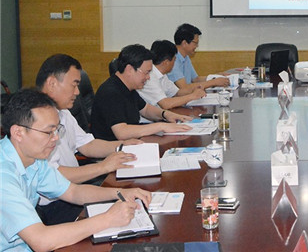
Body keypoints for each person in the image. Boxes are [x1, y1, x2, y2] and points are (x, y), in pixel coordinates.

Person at [0, 88, 151, 251]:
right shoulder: (3, 175)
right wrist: (108, 219)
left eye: (57, 130)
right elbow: (41, 241)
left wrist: (120, 193)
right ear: (18, 133)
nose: (56, 138)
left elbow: (73, 192)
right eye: (48, 132)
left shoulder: (33, 159)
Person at [35, 54, 143, 225]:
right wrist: (102, 167)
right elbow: (54, 176)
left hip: (73, 192)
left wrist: (122, 145)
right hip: (55, 205)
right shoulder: (35, 124)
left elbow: (87, 145)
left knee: (133, 205)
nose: (77, 92)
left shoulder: (63, 113)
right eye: (74, 85)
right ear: (52, 83)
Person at [91, 44, 193, 141]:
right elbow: (122, 132)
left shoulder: (128, 87)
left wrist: (166, 114)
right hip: (114, 149)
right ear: (130, 69)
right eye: (146, 72)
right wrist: (161, 126)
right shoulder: (111, 92)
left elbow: (145, 109)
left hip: (133, 142)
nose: (148, 77)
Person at [138, 40, 207, 109]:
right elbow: (166, 104)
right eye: (174, 60)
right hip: (150, 115)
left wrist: (194, 90)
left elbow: (177, 93)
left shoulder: (162, 75)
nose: (175, 63)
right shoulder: (149, 77)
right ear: (166, 62)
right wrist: (192, 96)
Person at [167, 23, 229, 89]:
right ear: (184, 43)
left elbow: (196, 79)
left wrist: (216, 76)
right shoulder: (172, 60)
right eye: (195, 43)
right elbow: (184, 87)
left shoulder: (185, 57)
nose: (197, 46)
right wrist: (213, 82)